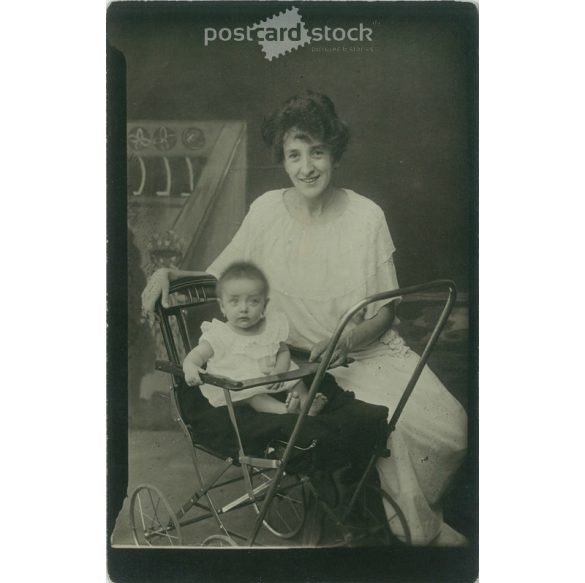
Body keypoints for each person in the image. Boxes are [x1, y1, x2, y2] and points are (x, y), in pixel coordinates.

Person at [142, 90, 468, 546]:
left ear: (334, 151)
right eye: (294, 155)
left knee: (449, 425)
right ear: (283, 160)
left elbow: (386, 311)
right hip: (301, 361)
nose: (306, 166)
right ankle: (415, 527)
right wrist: (171, 272)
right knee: (393, 424)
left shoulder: (365, 216)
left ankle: (408, 511)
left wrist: (349, 339)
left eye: (317, 152)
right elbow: (221, 273)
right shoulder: (267, 212)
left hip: (364, 349)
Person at [182, 261, 328, 415]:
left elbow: (283, 351)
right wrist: (190, 366)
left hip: (271, 377)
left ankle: (307, 405)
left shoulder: (271, 328)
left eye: (253, 301)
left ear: (264, 305)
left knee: (296, 379)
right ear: (223, 306)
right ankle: (285, 411)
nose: (244, 308)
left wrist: (279, 373)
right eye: (234, 301)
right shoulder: (220, 334)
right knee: (255, 398)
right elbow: (197, 354)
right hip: (239, 384)